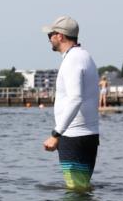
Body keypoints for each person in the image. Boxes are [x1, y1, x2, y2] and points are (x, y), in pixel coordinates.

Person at [41, 16, 100, 191]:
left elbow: (76, 98)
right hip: (87, 134)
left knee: (76, 190)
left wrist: (56, 134)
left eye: (50, 35)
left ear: (60, 36)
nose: (49, 39)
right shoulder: (84, 56)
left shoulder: (72, 60)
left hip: (74, 136)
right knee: (82, 188)